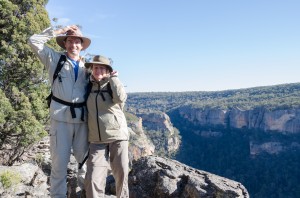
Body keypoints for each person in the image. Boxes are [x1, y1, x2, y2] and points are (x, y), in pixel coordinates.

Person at [28, 25, 90, 198]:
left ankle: (85, 193)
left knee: (84, 164)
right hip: (60, 120)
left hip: (82, 121)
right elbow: (33, 41)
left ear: (82, 45)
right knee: (59, 166)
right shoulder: (54, 59)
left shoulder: (88, 67)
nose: (73, 45)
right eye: (69, 41)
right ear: (64, 43)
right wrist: (58, 31)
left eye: (77, 41)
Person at [84, 55, 129, 198]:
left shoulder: (112, 83)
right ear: (92, 69)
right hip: (96, 139)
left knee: (121, 174)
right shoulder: (87, 85)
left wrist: (114, 78)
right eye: (96, 67)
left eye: (102, 68)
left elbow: (121, 98)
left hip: (117, 136)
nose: (98, 70)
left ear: (108, 70)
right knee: (92, 178)